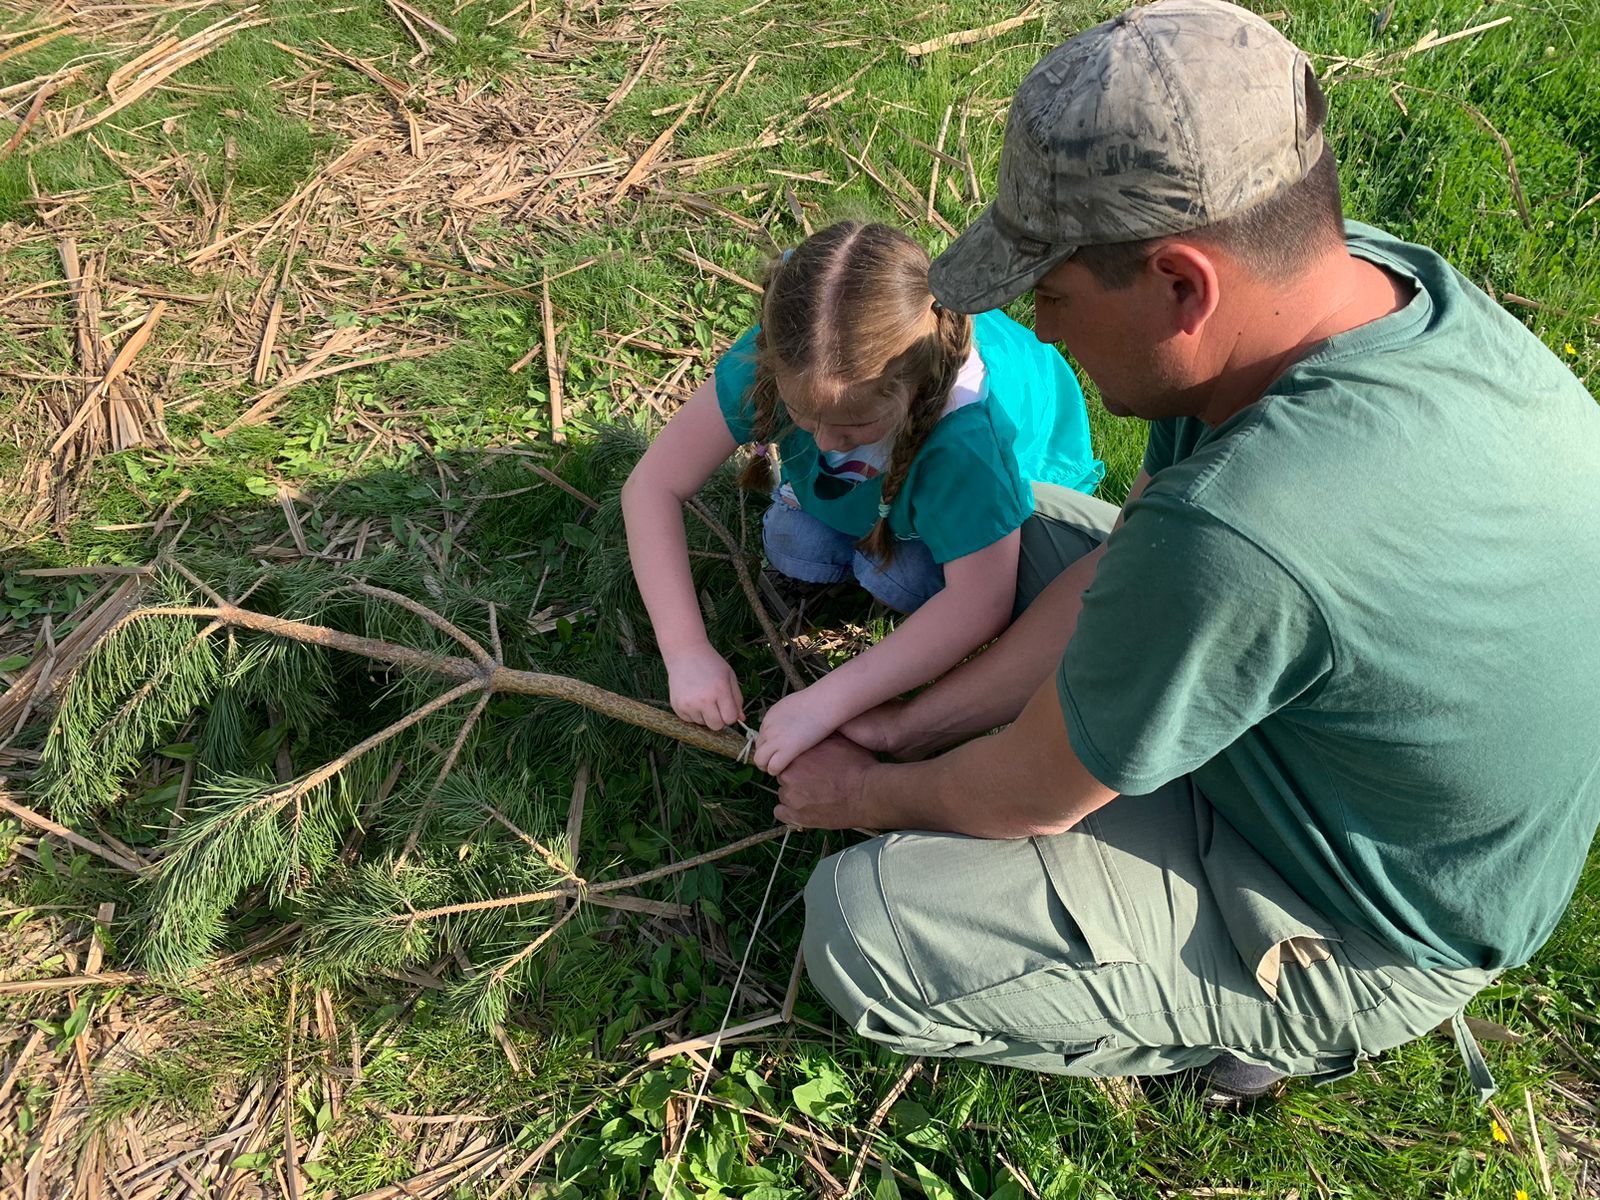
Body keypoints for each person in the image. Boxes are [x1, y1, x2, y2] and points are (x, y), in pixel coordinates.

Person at [776, 0, 1600, 1106]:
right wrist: (902, 724)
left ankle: (1291, 1021)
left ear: (1180, 283)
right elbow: (1127, 565)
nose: (1047, 333)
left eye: (1056, 299)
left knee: (865, 928)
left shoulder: (1249, 528)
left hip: (1366, 909)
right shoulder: (1353, 290)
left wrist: (861, 792)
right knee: (1040, 524)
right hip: (1349, 743)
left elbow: (1030, 794)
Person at [622, 220, 1102, 776]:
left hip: (1007, 466)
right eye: (807, 418)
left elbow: (979, 602)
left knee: (897, 577)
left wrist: (827, 700)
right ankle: (868, 509)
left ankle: (901, 535)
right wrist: (685, 651)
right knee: (794, 542)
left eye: (853, 427)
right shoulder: (793, 359)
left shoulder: (969, 439)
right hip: (896, 461)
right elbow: (652, 486)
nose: (824, 442)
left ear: (912, 393)